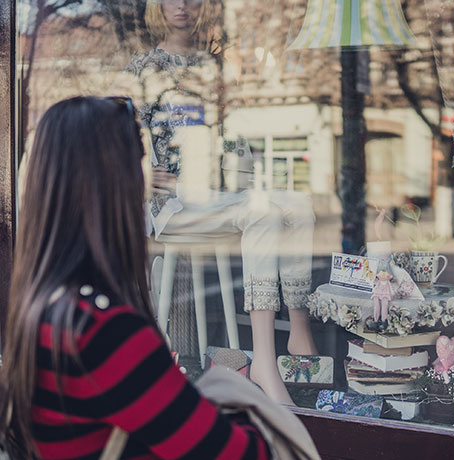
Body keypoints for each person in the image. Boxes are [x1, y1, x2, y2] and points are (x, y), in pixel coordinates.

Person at [0, 96, 273, 459]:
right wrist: (239, 397)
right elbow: (244, 455)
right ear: (115, 185)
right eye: (141, 165)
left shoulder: (43, 307)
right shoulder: (105, 331)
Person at [124, 0, 318, 405]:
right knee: (262, 212)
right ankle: (264, 361)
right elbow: (122, 135)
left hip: (219, 190)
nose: (181, 6)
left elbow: (234, 133)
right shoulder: (143, 68)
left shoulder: (213, 68)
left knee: (299, 204)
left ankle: (300, 329)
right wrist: (140, 174)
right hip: (174, 205)